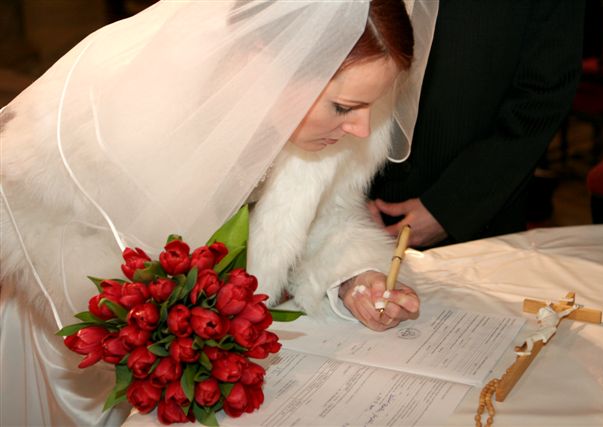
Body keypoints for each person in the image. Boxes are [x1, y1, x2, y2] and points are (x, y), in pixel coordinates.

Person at [0, 1, 438, 425]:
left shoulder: (334, 133)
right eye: (343, 108)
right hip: (74, 357)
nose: (362, 129)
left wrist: (356, 276)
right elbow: (32, 217)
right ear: (267, 62)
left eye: (371, 105)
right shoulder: (136, 108)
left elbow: (327, 219)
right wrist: (154, 329)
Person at [368, 0, 585, 248]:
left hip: (476, 217)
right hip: (355, 204)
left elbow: (544, 93)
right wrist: (345, 196)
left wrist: (450, 208)